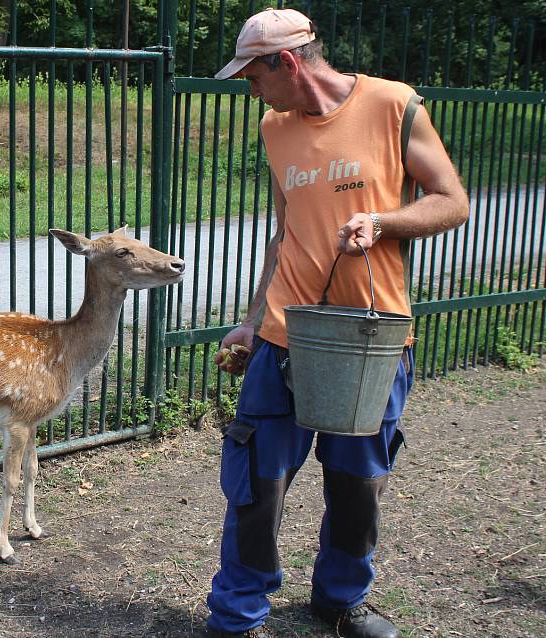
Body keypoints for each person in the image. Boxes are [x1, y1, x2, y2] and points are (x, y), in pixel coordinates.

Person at [206, 8, 469, 638]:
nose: (250, 89)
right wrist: (249, 321)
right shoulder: (275, 127)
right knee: (256, 481)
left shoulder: (392, 105)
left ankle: (341, 597)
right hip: (283, 337)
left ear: (287, 63)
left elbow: (451, 201)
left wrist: (383, 223)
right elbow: (285, 233)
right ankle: (238, 613)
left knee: (357, 480)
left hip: (371, 339)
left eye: (253, 75)